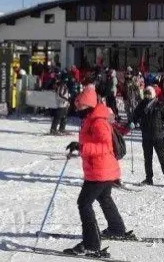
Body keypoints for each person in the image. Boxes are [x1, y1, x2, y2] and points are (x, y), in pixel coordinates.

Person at [63, 85, 131, 257]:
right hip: (102, 169)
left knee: (84, 203)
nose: (77, 109)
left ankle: (91, 244)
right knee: (104, 198)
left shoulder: (98, 121)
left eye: (80, 106)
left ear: (89, 105)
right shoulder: (91, 118)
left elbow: (104, 146)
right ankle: (117, 229)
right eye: (77, 106)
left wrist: (82, 147)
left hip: (101, 171)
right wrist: (79, 149)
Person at [130, 86, 164, 187]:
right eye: (145, 94)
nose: (147, 96)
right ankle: (149, 178)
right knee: (147, 158)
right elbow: (135, 115)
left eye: (149, 94)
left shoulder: (159, 105)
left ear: (153, 94)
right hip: (146, 136)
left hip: (158, 136)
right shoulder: (142, 105)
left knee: (162, 158)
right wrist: (132, 121)